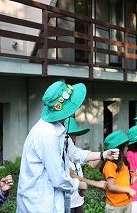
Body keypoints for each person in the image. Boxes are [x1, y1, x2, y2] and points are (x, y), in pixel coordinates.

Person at [17, 81, 119, 213]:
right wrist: (79, 184)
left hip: (49, 200)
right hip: (38, 204)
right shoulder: (46, 134)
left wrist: (103, 154)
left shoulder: (58, 127)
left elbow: (74, 153)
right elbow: (58, 178)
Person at [65, 117, 107, 213]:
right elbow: (71, 176)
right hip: (68, 202)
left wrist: (103, 155)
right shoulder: (61, 156)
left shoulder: (75, 152)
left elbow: (92, 164)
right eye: (71, 135)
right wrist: (96, 184)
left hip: (79, 200)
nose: (74, 137)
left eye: (75, 135)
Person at [102, 130, 136, 213]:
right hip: (115, 206)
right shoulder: (109, 164)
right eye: (126, 146)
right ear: (119, 148)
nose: (127, 148)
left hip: (126, 202)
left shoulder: (124, 162)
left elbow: (127, 182)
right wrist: (128, 190)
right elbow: (111, 186)